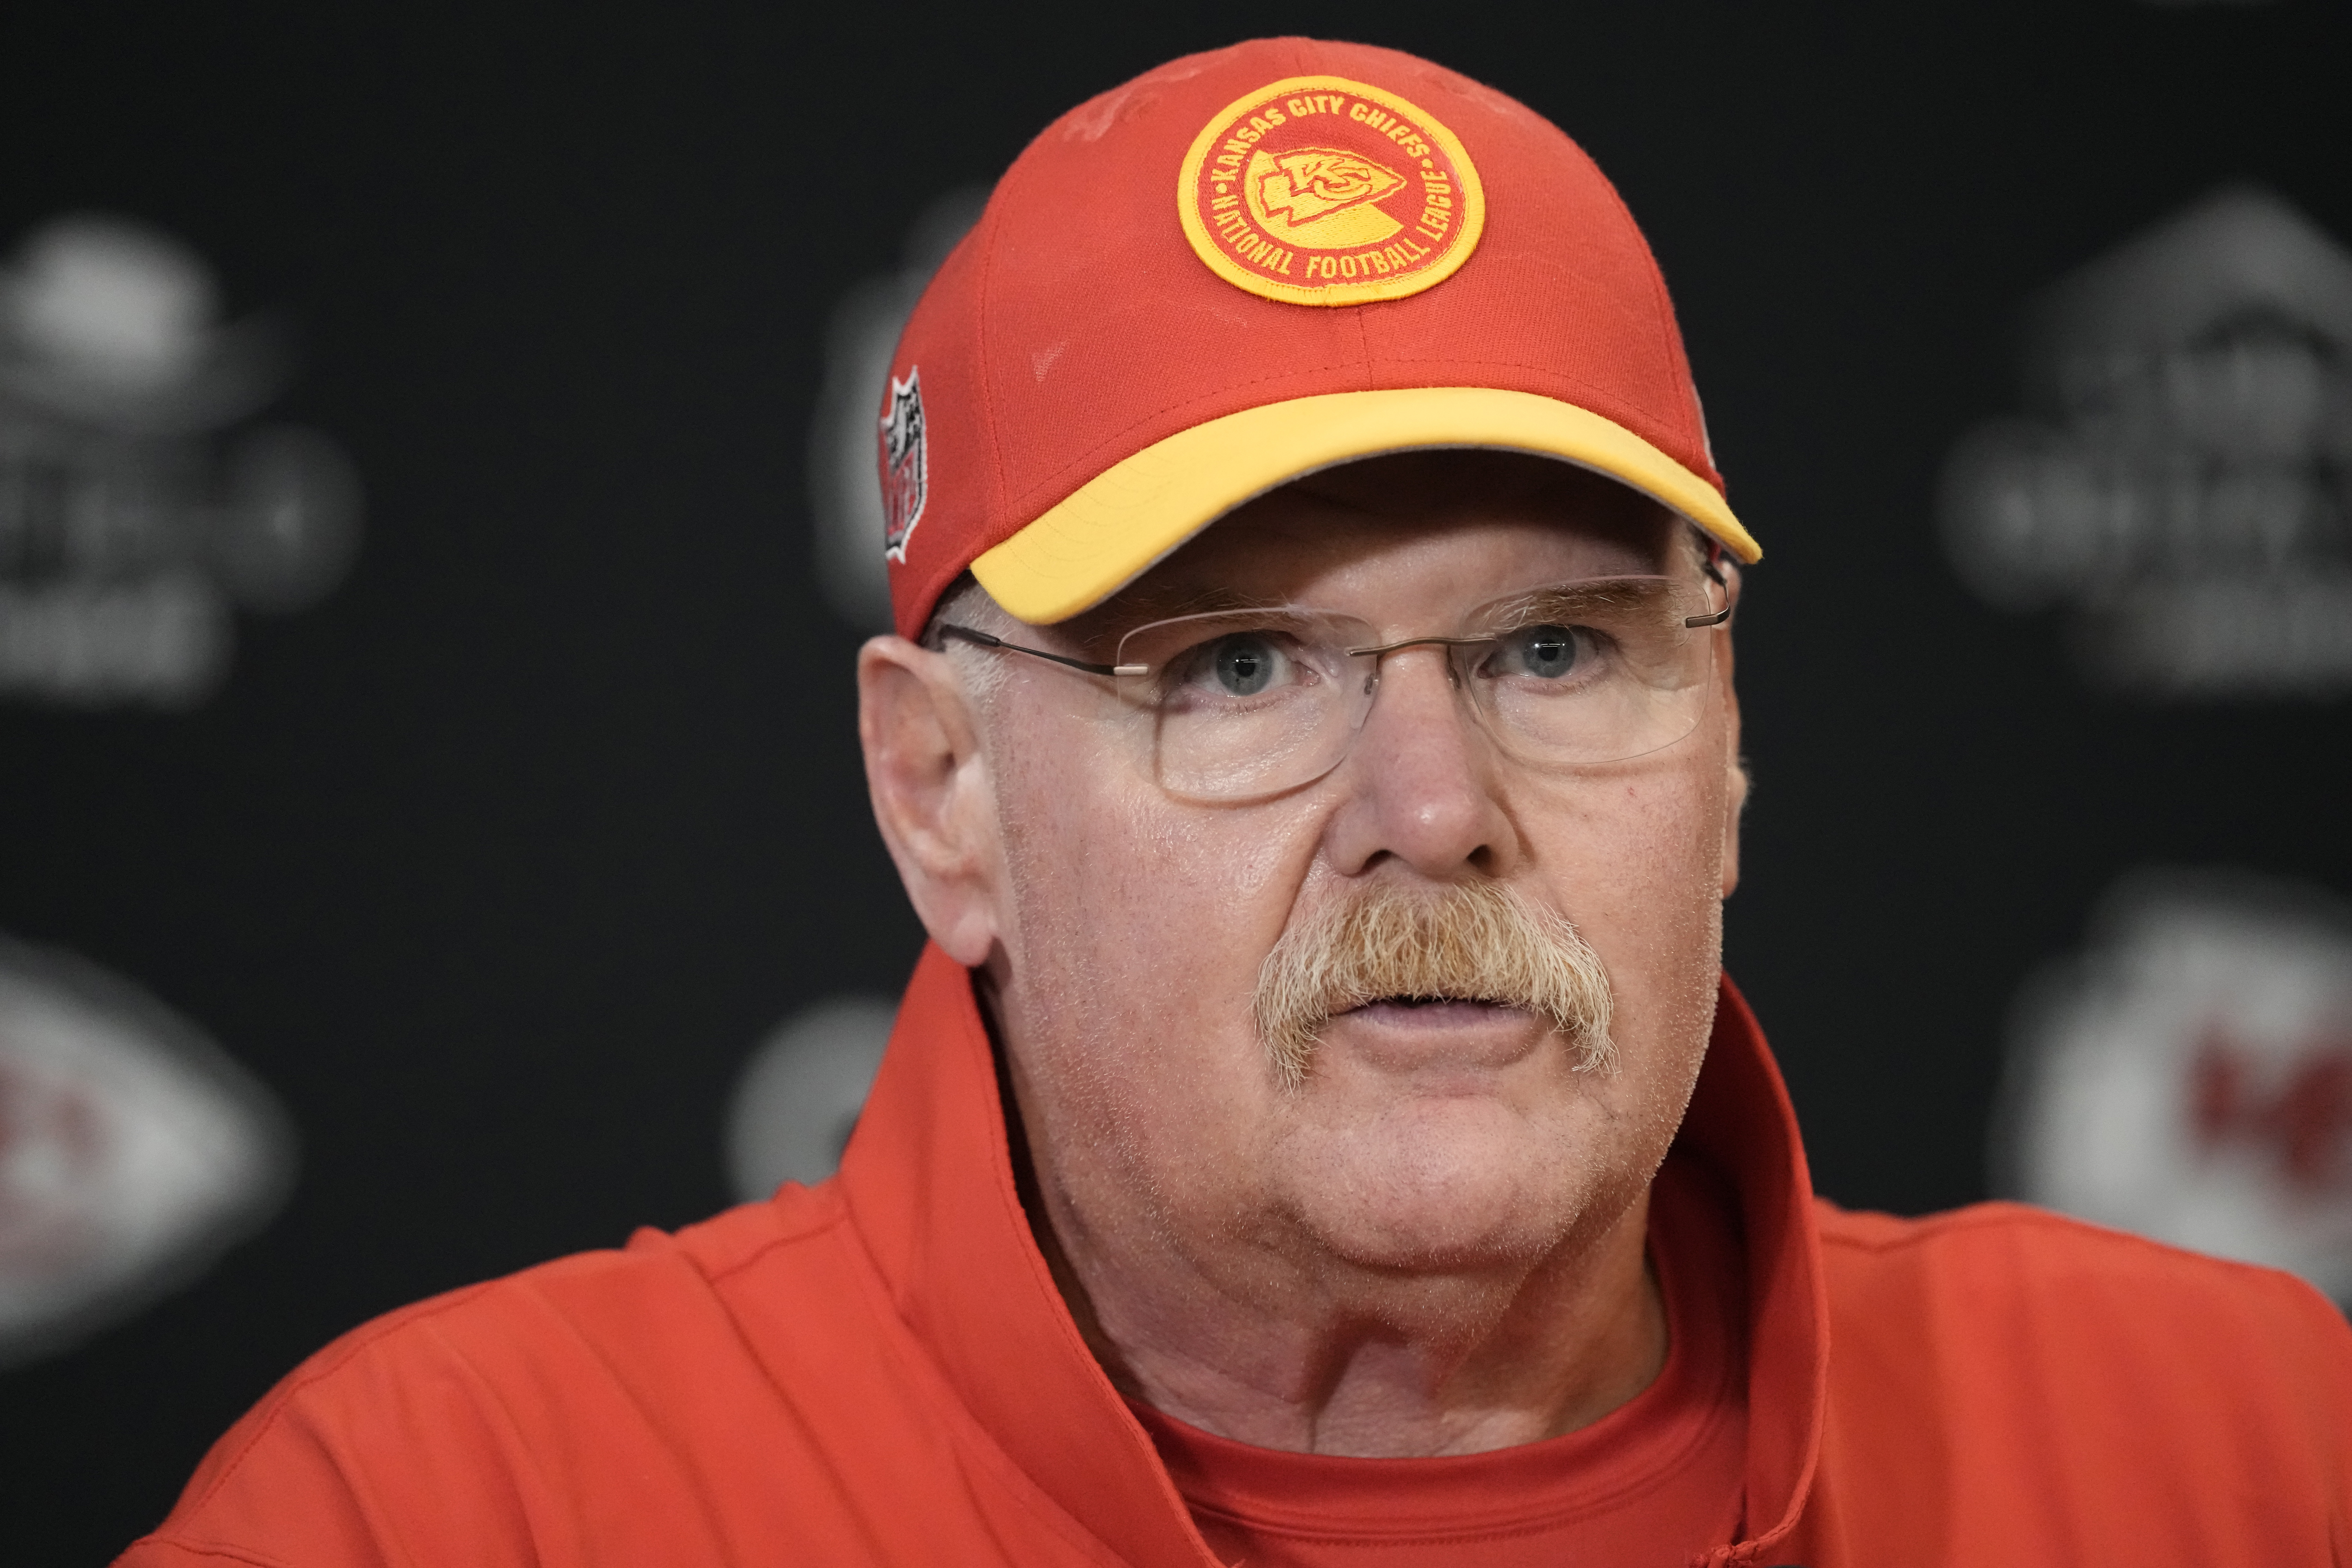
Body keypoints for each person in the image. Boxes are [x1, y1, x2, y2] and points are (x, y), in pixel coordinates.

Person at [121, 36, 2352, 1568]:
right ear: (941, 796)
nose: (1434, 806)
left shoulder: (2241, 1452)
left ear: (1730, 742)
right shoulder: (449, 1511)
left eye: (1554, 649)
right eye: (1239, 668)